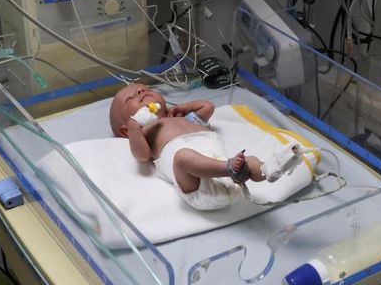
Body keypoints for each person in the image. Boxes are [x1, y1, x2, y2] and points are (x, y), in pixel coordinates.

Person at [109, 84, 298, 210]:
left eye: (145, 88)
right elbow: (141, 155)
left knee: (250, 161)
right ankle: (229, 168)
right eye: (131, 98)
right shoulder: (146, 133)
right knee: (183, 158)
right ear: (125, 131)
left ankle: (269, 168)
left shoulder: (184, 118)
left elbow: (207, 107)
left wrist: (184, 108)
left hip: (227, 178)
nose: (141, 92)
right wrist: (136, 127)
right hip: (196, 185)